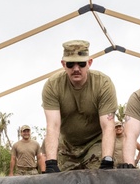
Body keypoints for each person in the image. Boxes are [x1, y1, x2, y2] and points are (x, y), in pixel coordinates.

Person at [42, 40, 118, 172]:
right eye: (71, 64)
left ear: (89, 63)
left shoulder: (103, 84)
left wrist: (107, 159)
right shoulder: (52, 85)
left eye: (81, 64)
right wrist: (50, 162)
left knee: (98, 182)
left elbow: (108, 126)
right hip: (67, 146)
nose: (76, 69)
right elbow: (53, 126)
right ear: (63, 64)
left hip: (96, 143)